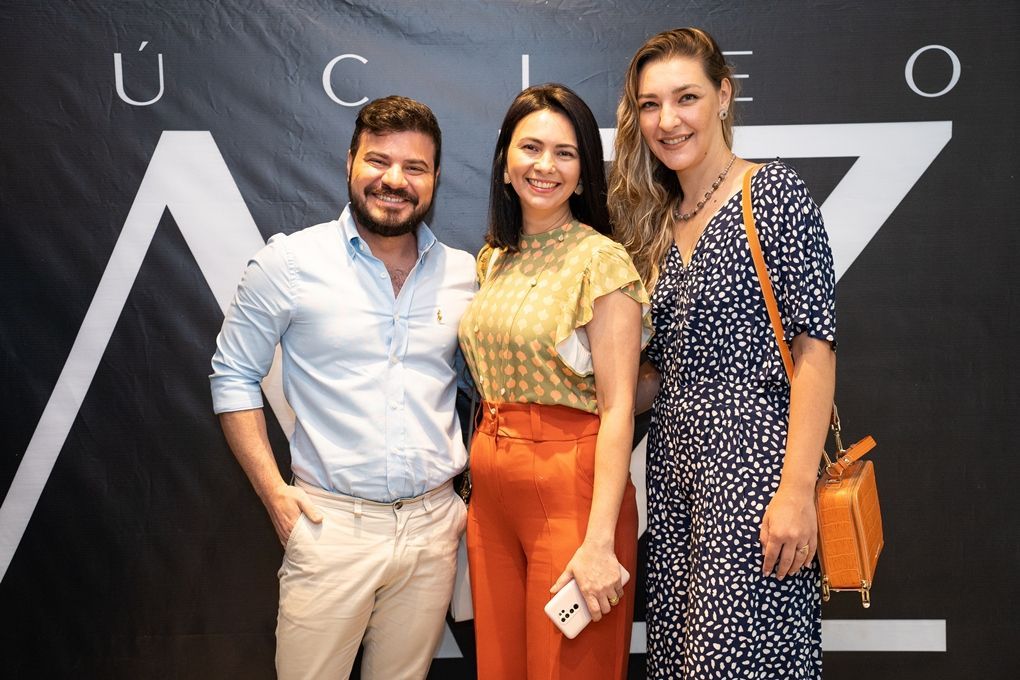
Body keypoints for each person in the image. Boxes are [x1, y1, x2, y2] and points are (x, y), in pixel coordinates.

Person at [209, 95, 476, 680]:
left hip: (434, 530)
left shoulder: (465, 274)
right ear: (350, 161)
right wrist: (274, 495)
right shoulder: (289, 263)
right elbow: (232, 376)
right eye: (378, 160)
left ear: (435, 179)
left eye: (414, 167)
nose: (394, 180)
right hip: (331, 528)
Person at [609, 28, 836, 679]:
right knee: (681, 659)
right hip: (674, 476)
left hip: (755, 471)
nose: (668, 120)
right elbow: (660, 374)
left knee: (736, 660)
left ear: (724, 96)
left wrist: (796, 492)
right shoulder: (654, 223)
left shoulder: (773, 194)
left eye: (686, 97)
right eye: (650, 104)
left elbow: (815, 350)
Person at [458, 83, 651, 679]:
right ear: (505, 162)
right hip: (490, 487)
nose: (545, 166)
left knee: (567, 667)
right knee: (501, 667)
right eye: (531, 148)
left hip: (572, 487)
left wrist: (599, 542)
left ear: (585, 171)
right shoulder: (495, 258)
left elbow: (618, 408)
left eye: (565, 153)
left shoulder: (602, 262)